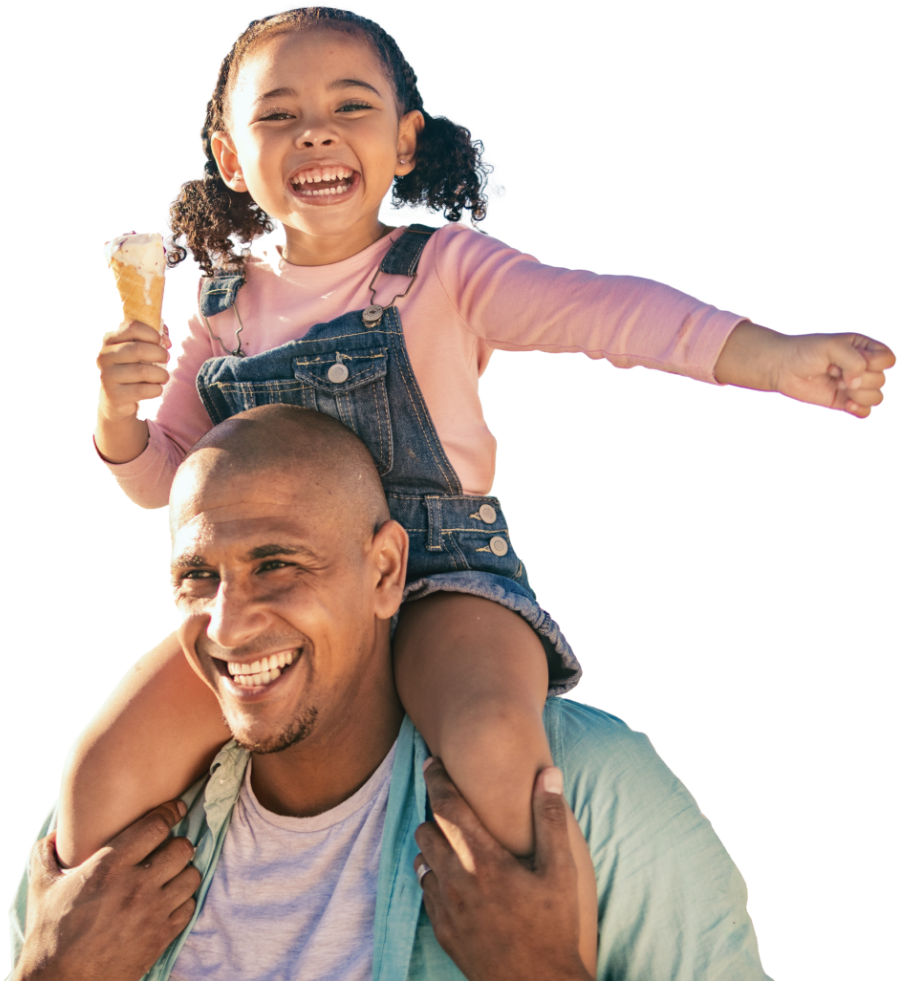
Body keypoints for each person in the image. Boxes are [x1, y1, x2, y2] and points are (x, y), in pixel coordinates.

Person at [79, 3, 894, 975]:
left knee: (499, 751)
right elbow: (163, 480)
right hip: (273, 602)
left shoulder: (445, 272)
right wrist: (117, 417)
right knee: (99, 778)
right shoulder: (218, 311)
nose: (317, 133)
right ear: (227, 152)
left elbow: (607, 314)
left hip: (440, 577)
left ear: (404, 140)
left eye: (350, 105)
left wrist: (775, 357)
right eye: (278, 115)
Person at [10, 405, 775, 980]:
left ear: (383, 571)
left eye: (277, 563)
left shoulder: (590, 790)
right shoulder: (114, 848)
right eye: (197, 577)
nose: (229, 624)